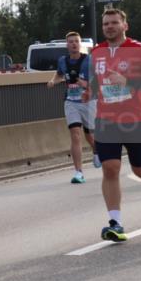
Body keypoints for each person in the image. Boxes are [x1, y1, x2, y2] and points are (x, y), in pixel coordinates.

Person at [88, 8, 141, 242]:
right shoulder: (97, 52)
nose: (109, 27)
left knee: (140, 169)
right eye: (105, 23)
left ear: (124, 26)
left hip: (136, 119)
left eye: (114, 23)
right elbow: (96, 82)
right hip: (106, 120)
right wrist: (90, 90)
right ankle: (115, 223)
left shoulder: (140, 50)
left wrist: (128, 81)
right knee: (110, 168)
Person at [47, 31, 99, 183]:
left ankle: (96, 150)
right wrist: (53, 81)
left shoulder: (89, 60)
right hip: (71, 101)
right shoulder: (62, 61)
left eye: (76, 41)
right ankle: (78, 172)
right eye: (71, 42)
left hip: (88, 101)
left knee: (90, 135)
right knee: (75, 134)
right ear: (67, 45)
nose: (74, 44)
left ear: (80, 43)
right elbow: (59, 74)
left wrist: (86, 84)